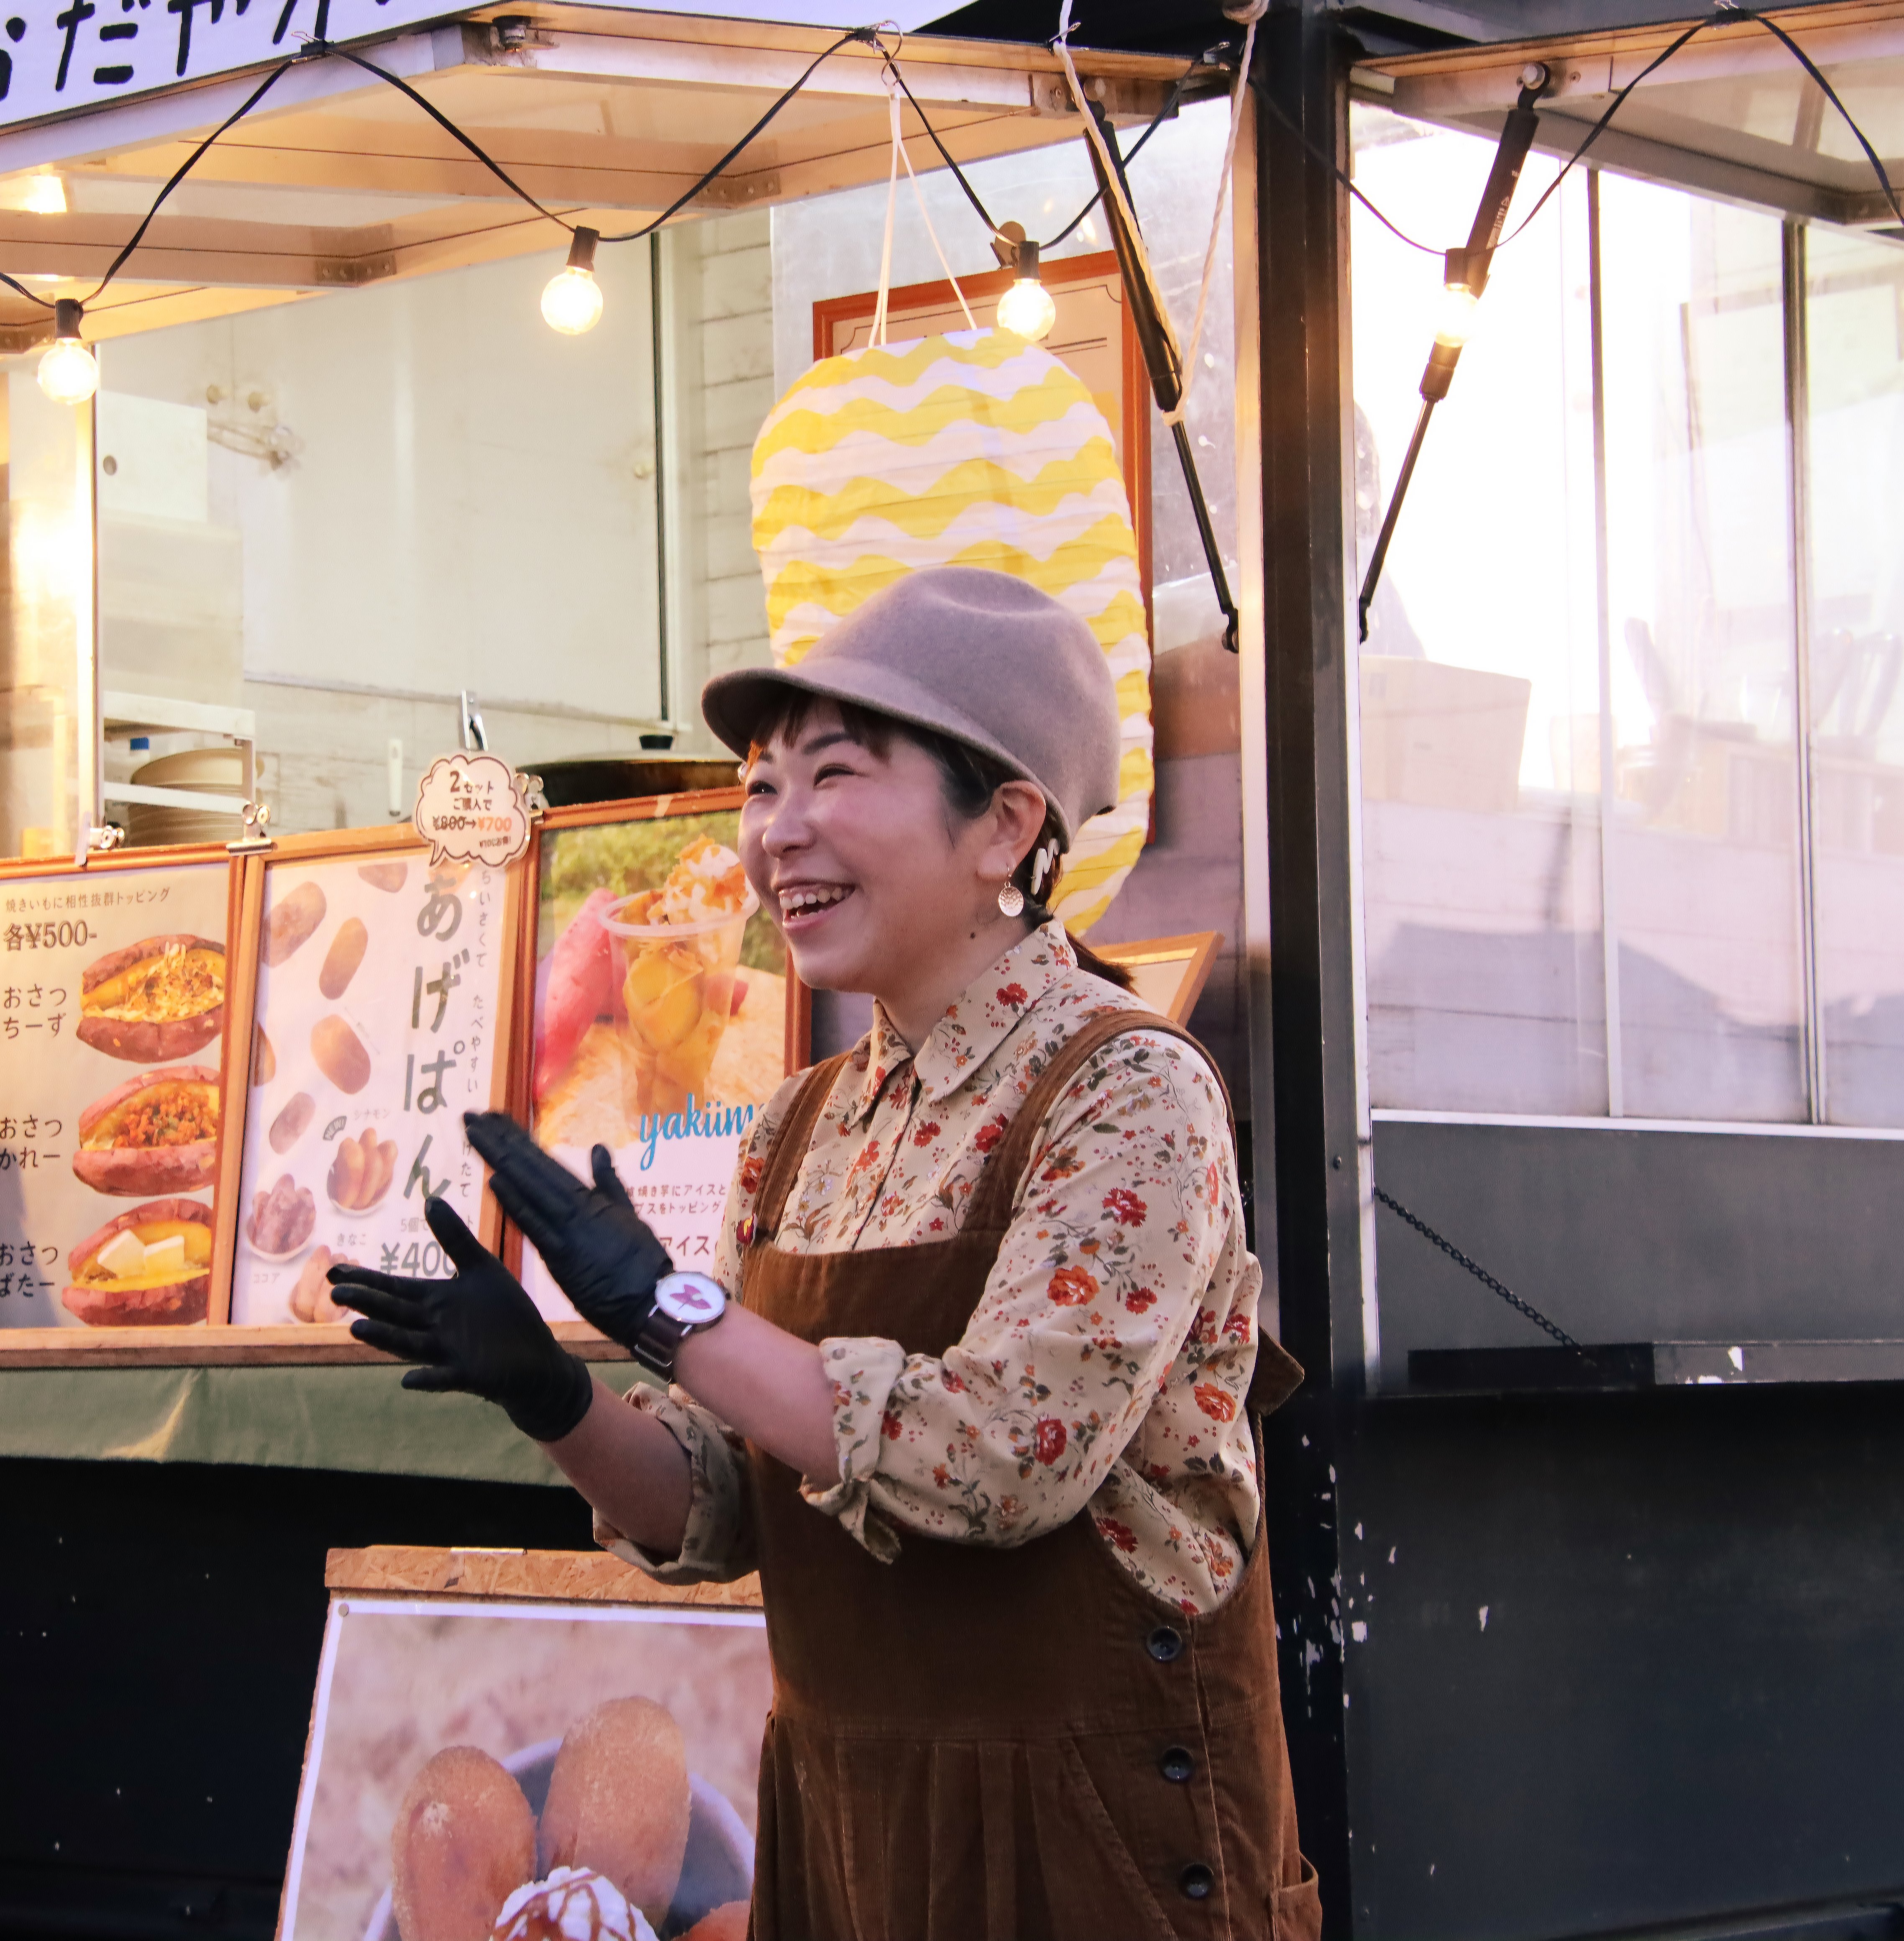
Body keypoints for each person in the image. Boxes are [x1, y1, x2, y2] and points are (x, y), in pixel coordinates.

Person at [330, 566, 1315, 1940]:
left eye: (834, 777)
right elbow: (723, 1506)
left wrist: (675, 1315)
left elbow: (1007, 1457)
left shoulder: (1127, 1087)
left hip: (1085, 1839)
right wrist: (554, 1400)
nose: (777, 835)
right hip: (850, 1836)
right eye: (759, 789)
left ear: (1006, 825)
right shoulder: (798, 1128)